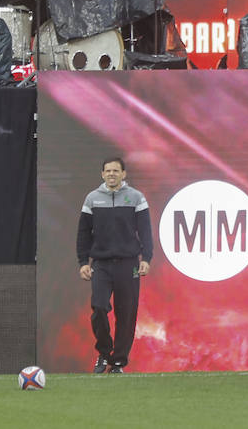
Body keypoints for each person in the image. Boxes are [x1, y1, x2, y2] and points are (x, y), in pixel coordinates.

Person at [76, 156, 152, 374]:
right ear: (102, 174)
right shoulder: (92, 199)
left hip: (130, 265)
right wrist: (83, 262)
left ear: (123, 174)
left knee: (126, 314)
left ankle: (118, 362)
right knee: (99, 307)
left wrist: (146, 259)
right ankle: (104, 352)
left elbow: (145, 231)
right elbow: (83, 233)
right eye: (107, 171)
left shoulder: (136, 197)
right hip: (101, 264)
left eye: (115, 171)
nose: (111, 174)